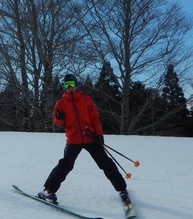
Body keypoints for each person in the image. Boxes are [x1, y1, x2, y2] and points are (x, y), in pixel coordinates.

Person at [38, 74, 131, 206]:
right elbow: (57, 123)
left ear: (76, 85)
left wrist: (99, 135)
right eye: (66, 85)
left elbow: (95, 119)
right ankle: (48, 191)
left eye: (71, 84)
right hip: (73, 138)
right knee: (65, 165)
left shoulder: (86, 100)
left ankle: (122, 189)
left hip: (90, 137)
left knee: (105, 163)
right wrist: (59, 117)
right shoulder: (60, 103)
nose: (69, 87)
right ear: (64, 86)